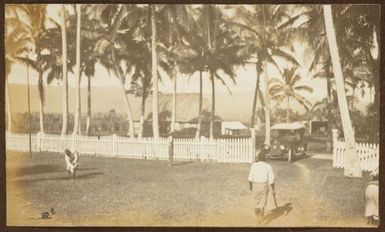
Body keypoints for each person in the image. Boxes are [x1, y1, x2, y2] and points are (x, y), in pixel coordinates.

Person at [248, 146, 275, 222]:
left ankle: (257, 218)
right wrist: (273, 189)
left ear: (258, 158)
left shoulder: (254, 165)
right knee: (262, 203)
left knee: (256, 202)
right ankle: (262, 212)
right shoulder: (268, 166)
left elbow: (250, 178)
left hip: (255, 185)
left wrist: (250, 186)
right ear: (265, 158)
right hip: (263, 186)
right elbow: (271, 180)